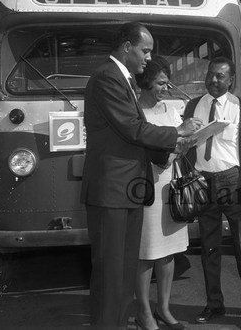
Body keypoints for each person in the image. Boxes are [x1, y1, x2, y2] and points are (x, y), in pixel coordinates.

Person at [81, 22, 200, 330]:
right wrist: (178, 131)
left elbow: (131, 136)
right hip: (113, 191)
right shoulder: (108, 77)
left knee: (121, 273)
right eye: (145, 50)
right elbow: (132, 128)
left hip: (125, 190)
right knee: (111, 274)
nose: (149, 57)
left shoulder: (122, 79)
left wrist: (175, 143)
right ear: (126, 48)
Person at [183, 57, 241, 330]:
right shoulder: (194, 106)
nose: (214, 80)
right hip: (204, 184)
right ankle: (214, 303)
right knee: (209, 248)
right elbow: (185, 146)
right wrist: (189, 172)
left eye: (220, 76)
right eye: (211, 75)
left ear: (231, 81)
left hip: (233, 182)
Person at [134, 57, 190, 330]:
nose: (165, 89)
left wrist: (189, 140)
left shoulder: (169, 109)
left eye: (167, 83)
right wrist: (174, 147)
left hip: (171, 184)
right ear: (145, 82)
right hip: (146, 186)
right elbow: (141, 145)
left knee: (169, 251)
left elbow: (180, 140)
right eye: (160, 83)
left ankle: (163, 308)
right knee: (146, 252)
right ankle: (144, 313)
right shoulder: (134, 111)